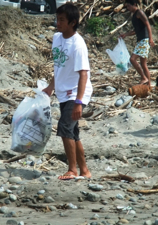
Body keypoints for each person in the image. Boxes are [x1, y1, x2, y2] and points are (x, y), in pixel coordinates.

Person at [42, 2, 93, 180]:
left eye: (62, 20)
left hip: (76, 92)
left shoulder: (78, 45)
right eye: (57, 19)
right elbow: (60, 66)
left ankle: (72, 170)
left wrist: (79, 102)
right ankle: (85, 171)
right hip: (63, 92)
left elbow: (83, 75)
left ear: (72, 22)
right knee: (73, 132)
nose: (58, 23)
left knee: (64, 128)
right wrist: (50, 86)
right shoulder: (57, 38)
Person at [120, 0, 154, 86]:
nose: (128, 8)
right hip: (141, 40)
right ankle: (149, 85)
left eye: (129, 6)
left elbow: (148, 25)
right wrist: (126, 35)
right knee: (143, 64)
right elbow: (136, 31)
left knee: (132, 59)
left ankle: (143, 77)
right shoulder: (135, 15)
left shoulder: (140, 13)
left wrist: (150, 39)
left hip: (144, 40)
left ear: (134, 4)